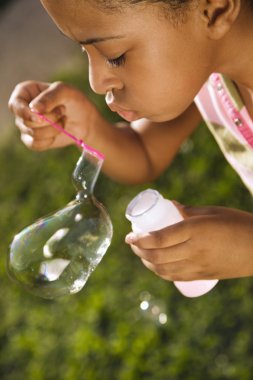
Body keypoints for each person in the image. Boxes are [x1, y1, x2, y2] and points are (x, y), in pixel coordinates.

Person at [8, 0, 253, 283]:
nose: (96, 82)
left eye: (115, 56)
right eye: (84, 50)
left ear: (214, 9)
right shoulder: (209, 74)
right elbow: (144, 152)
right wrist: (88, 127)